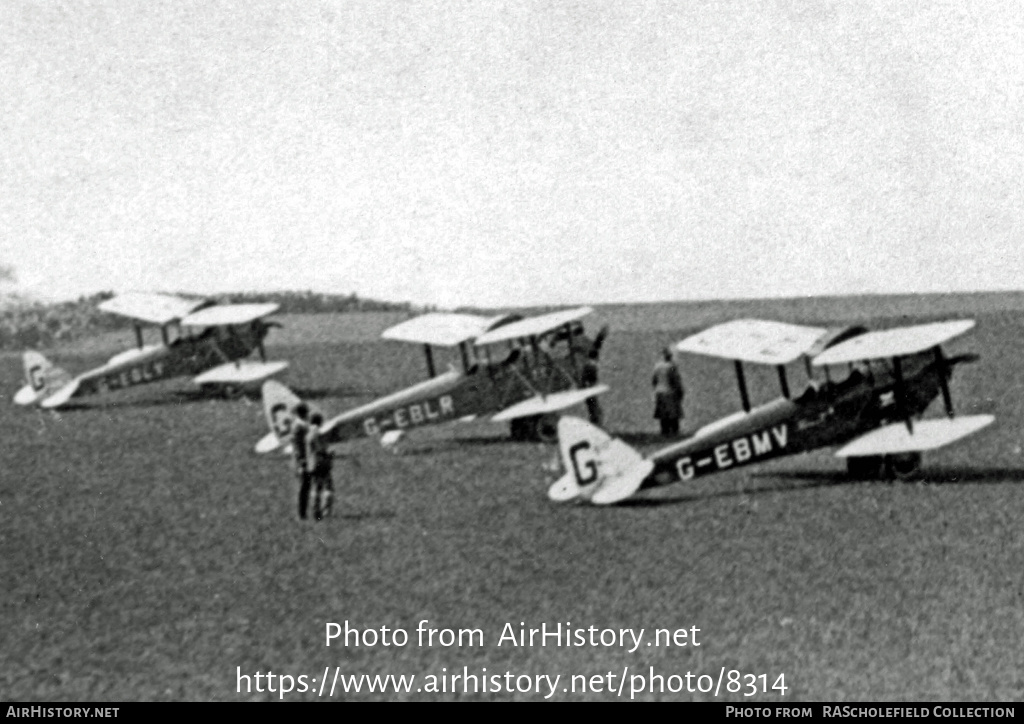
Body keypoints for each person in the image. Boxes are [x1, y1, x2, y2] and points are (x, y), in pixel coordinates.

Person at [306, 412, 334, 521]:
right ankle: (326, 510)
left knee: (316, 487)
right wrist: (329, 454)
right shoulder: (318, 432)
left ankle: (315, 511)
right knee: (328, 486)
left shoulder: (308, 434)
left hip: (312, 463)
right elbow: (321, 448)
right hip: (322, 461)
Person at [652, 347, 684, 437]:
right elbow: (675, 381)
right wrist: (680, 391)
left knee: (663, 414)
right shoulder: (672, 367)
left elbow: (654, 381)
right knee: (673, 414)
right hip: (670, 392)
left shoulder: (657, 366)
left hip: (660, 392)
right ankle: (675, 431)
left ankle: (664, 431)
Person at [290, 402, 312, 520]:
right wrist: (302, 461)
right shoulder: (299, 427)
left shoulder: (299, 425)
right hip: (302, 461)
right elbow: (299, 447)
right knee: (303, 487)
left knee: (305, 487)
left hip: (302, 460)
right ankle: (301, 514)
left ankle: (303, 513)